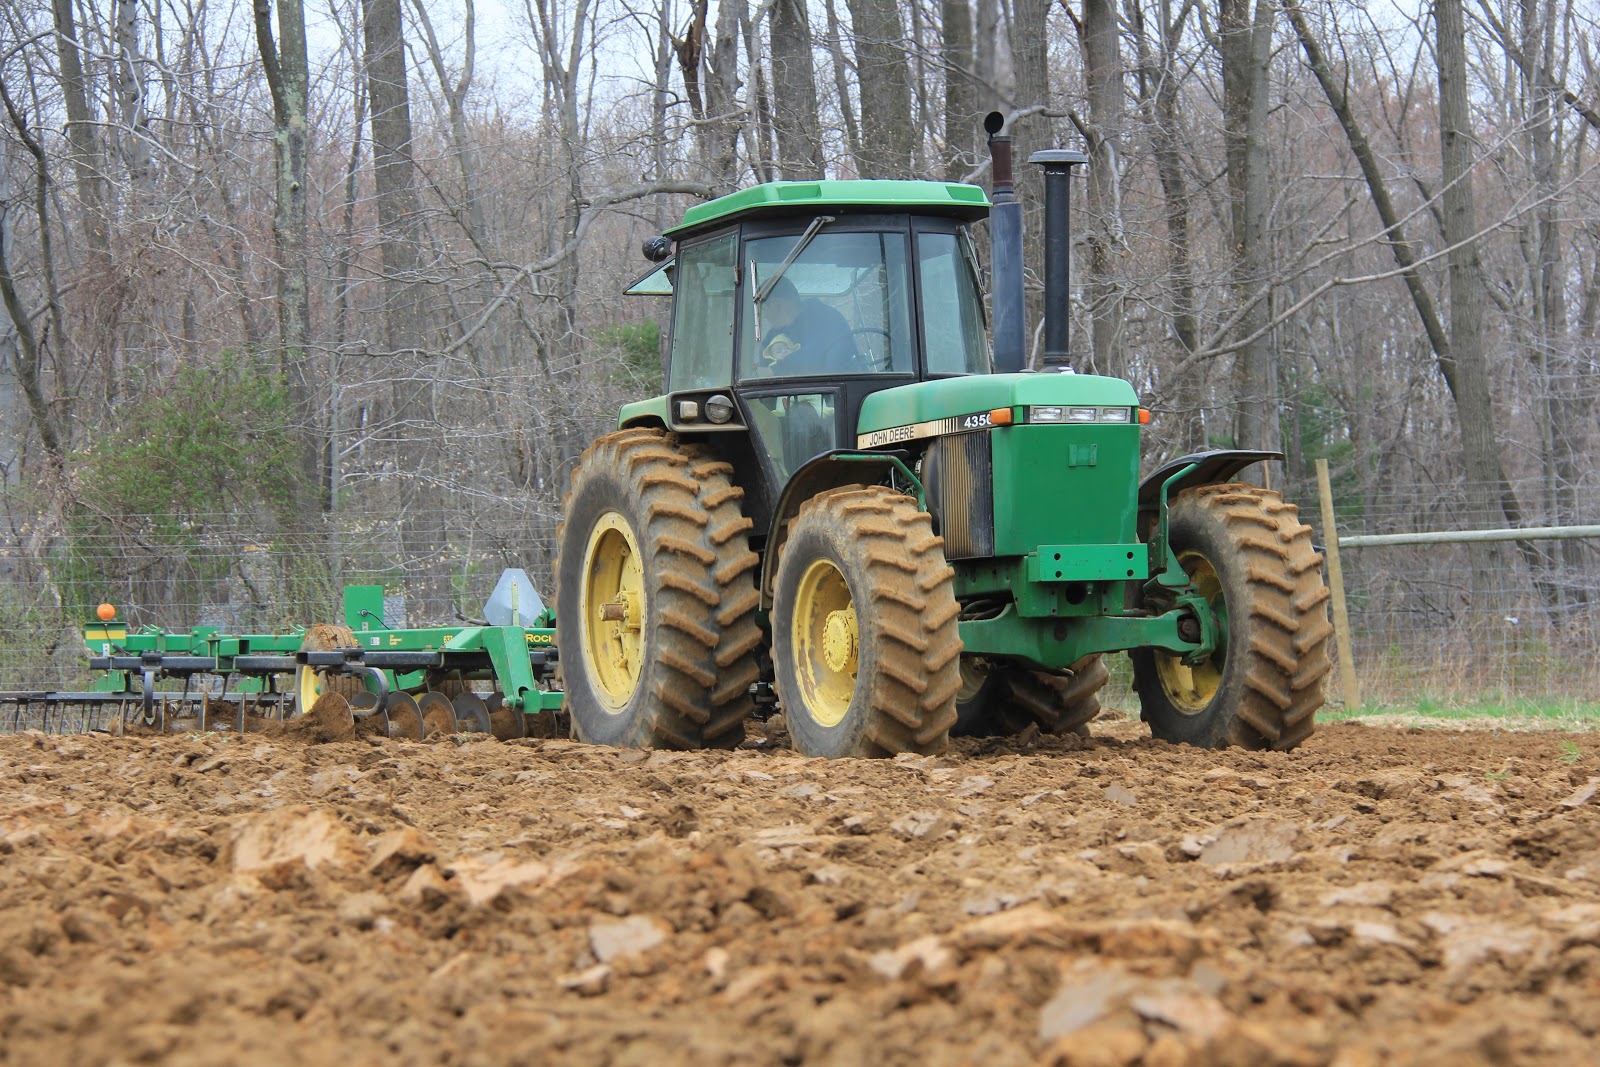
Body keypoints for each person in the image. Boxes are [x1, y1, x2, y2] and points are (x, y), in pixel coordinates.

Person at [756, 276, 857, 376]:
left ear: (775, 303)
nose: (764, 316)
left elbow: (826, 357)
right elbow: (763, 367)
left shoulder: (826, 318)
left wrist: (777, 369)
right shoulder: (773, 334)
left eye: (764, 309)